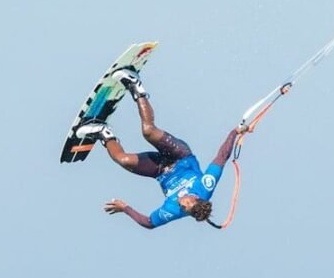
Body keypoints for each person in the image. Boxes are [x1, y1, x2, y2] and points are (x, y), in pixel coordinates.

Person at [73, 70, 241, 229]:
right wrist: (235, 132)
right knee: (148, 131)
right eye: (188, 202)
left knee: (122, 160)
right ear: (196, 197)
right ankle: (135, 85)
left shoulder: (173, 212)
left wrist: (125, 208)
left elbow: (148, 223)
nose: (183, 203)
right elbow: (222, 156)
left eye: (185, 208)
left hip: (160, 169)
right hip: (180, 156)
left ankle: (103, 133)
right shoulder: (206, 186)